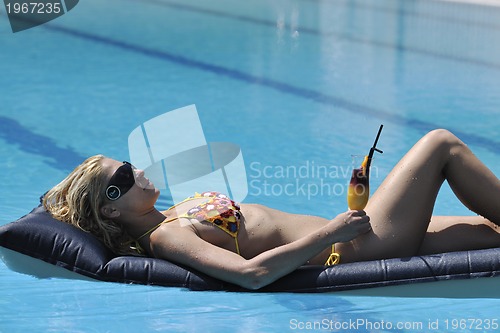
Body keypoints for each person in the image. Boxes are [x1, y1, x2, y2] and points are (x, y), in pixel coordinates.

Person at [42, 129, 500, 290]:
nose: (134, 172)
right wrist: (330, 235)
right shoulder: (165, 237)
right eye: (120, 182)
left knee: (488, 233)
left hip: (354, 233)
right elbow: (252, 275)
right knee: (441, 144)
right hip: (357, 249)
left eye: (125, 165)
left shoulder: (170, 214)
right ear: (112, 213)